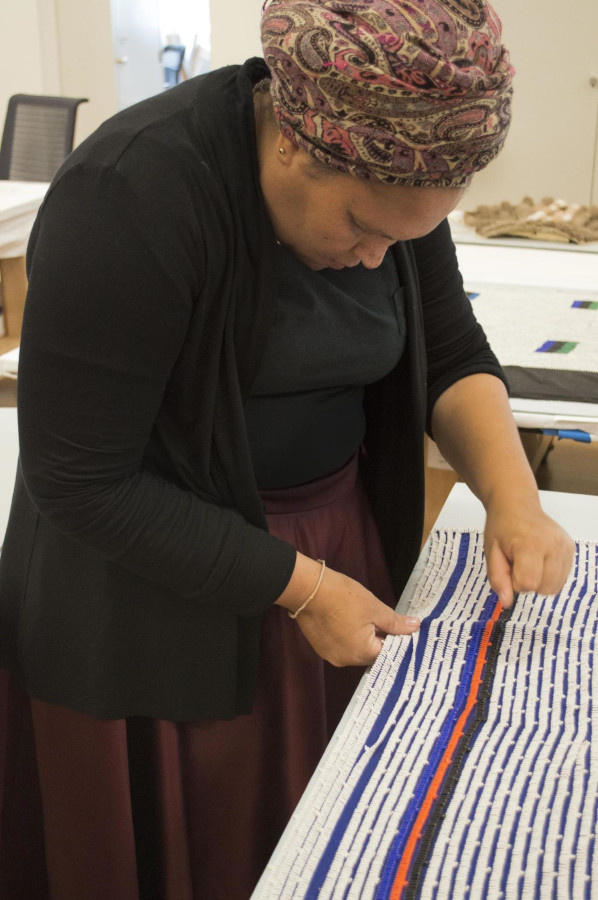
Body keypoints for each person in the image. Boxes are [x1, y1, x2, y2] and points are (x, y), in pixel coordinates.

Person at [0, 0, 574, 898]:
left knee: (325, 827)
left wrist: (514, 498)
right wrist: (300, 586)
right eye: (361, 226)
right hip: (146, 580)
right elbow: (83, 480)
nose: (382, 258)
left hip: (327, 544)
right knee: (204, 839)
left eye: (408, 237)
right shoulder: (130, 193)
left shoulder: (398, 176)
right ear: (297, 146)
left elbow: (451, 353)